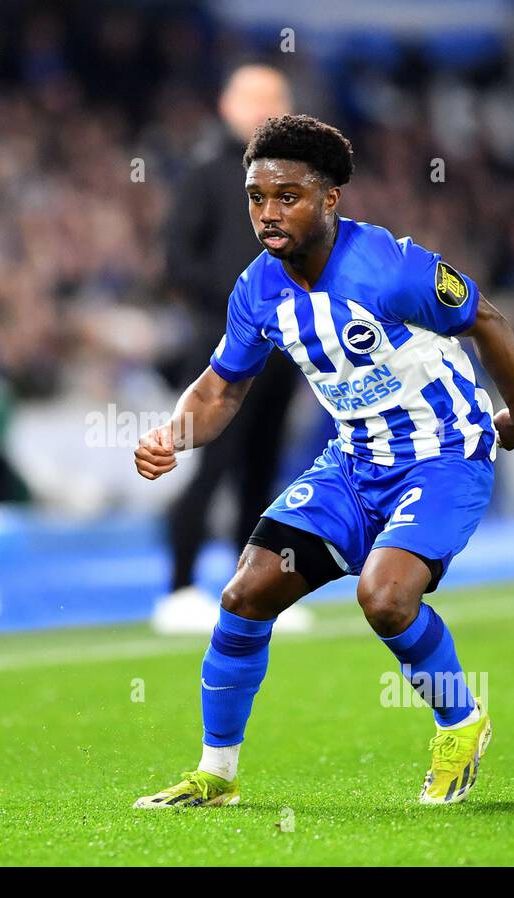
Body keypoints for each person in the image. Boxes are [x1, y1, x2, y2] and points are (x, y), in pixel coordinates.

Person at [133, 115, 514, 808]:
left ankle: (460, 720)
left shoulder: (391, 268)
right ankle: (217, 776)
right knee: (246, 592)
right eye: (257, 197)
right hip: (355, 465)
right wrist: (175, 434)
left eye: (286, 195)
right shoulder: (258, 289)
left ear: (329, 199)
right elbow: (223, 387)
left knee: (383, 596)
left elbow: (488, 321)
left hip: (442, 457)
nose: (268, 212)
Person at [153, 64, 313, 635]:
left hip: (283, 344)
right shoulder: (207, 171)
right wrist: (236, 304)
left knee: (262, 467)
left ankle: (251, 589)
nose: (270, 111)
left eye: (278, 100)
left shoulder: (293, 180)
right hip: (224, 344)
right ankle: (178, 587)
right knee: (214, 462)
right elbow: (176, 259)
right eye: (260, 100)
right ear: (229, 104)